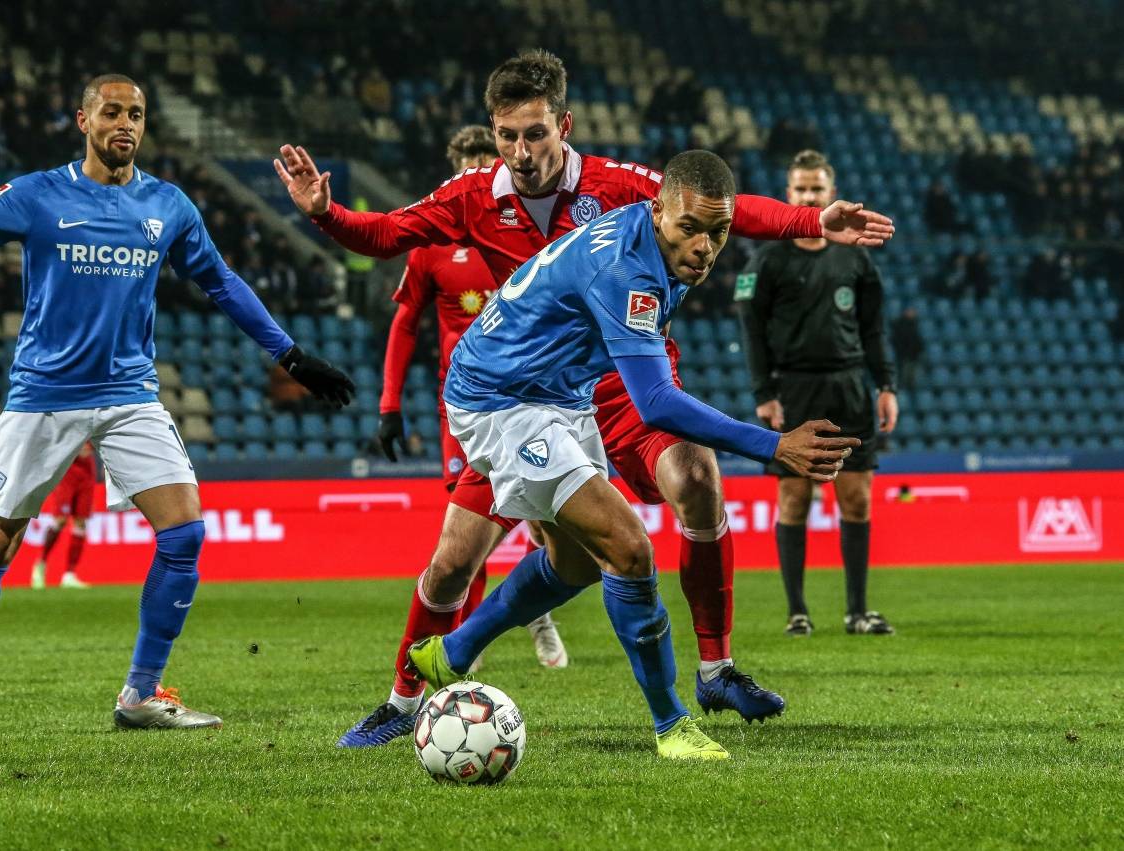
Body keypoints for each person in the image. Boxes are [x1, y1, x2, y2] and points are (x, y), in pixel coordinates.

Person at [275, 49, 894, 748]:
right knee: (514, 556)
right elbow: (383, 234)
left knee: (624, 526)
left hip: (583, 387)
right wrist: (326, 214)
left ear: (562, 126)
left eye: (534, 133)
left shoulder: (630, 193)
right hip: (508, 396)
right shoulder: (482, 200)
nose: (520, 151)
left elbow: (717, 203)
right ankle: (428, 701)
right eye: (506, 136)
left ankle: (700, 666)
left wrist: (807, 224)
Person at [406, 150, 861, 759]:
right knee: (629, 547)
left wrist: (805, 222)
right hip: (499, 399)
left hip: (557, 391)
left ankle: (451, 652)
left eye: (718, 233)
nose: (704, 246)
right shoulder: (626, 269)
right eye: (690, 229)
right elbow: (656, 404)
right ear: (658, 210)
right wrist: (774, 445)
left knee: (578, 563)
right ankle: (671, 723)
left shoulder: (657, 244)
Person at [0, 73, 354, 736]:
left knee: (186, 531)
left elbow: (221, 283)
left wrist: (291, 356)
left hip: (129, 393)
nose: (125, 124)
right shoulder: (37, 195)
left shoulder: (167, 205)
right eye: (111, 111)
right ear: (83, 120)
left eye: (135, 113)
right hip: (44, 394)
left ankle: (140, 693)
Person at [376, 124, 569, 685]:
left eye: (489, 162)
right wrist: (390, 403)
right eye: (470, 165)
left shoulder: (528, 235)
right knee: (468, 532)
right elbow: (406, 322)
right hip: (461, 409)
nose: (481, 174)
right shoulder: (432, 249)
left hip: (533, 398)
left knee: (544, 523)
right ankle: (463, 639)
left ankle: (537, 614)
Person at [737, 150, 899, 637]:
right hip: (793, 388)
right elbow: (751, 331)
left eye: (817, 189)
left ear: (831, 193)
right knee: (793, 498)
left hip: (850, 384)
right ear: (789, 196)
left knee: (857, 498)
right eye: (801, 189)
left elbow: (873, 329)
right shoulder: (766, 258)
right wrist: (764, 392)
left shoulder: (856, 255)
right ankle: (798, 612)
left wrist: (886, 384)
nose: (809, 196)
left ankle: (856, 611)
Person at [30, 442, 96, 590]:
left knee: (81, 522)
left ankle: (69, 575)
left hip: (86, 472)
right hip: (66, 471)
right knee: (60, 520)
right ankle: (41, 563)